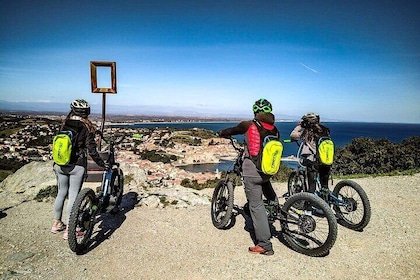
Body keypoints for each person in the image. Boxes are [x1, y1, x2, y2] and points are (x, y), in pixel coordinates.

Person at [217, 98, 279, 256]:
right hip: (267, 169)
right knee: (267, 188)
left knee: (256, 205)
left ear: (256, 112)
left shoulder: (249, 124)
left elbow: (232, 130)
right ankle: (276, 211)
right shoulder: (274, 129)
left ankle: (265, 245)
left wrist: (222, 133)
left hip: (252, 170)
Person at [51, 99, 106, 240]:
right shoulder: (86, 127)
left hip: (60, 164)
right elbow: (92, 151)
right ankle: (70, 230)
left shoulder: (64, 123)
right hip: (77, 165)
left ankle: (57, 223)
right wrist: (101, 164)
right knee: (73, 197)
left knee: (61, 193)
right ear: (87, 112)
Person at [290, 112, 331, 193]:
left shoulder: (307, 132)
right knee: (324, 186)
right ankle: (326, 201)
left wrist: (300, 126)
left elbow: (293, 135)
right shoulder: (325, 130)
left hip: (313, 161)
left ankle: (309, 203)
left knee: (311, 187)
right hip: (326, 159)